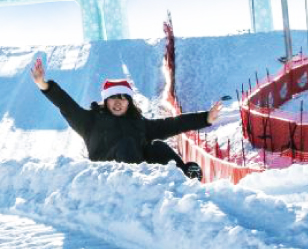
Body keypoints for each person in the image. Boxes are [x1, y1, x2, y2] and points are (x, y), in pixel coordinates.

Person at [29, 55, 222, 180]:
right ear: (105, 102)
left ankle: (183, 176)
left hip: (142, 171)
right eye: (113, 98)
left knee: (157, 146)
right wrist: (43, 84)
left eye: (122, 98)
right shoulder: (90, 122)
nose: (118, 102)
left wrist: (205, 118)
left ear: (129, 102)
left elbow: (172, 124)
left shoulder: (138, 123)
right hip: (109, 177)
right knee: (126, 144)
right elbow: (67, 105)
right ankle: (135, 185)